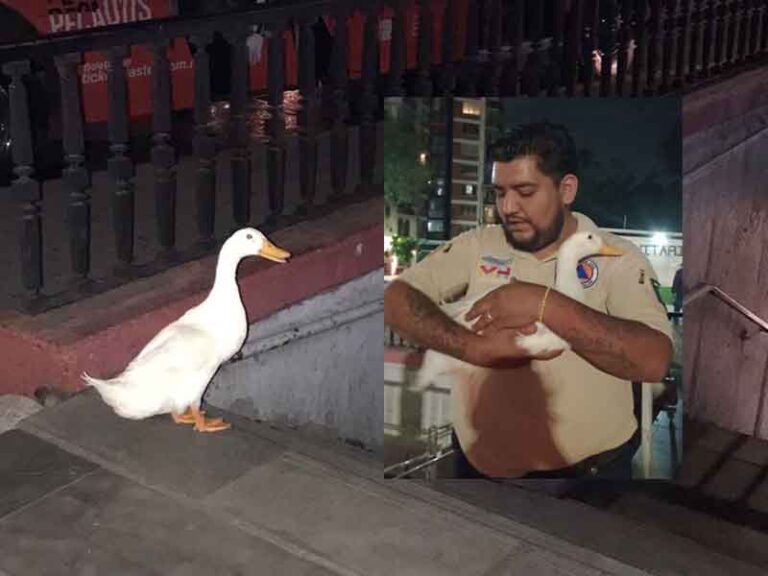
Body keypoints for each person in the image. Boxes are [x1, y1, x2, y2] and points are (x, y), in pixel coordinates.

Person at [384, 122, 673, 480]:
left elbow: (654, 360)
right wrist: (472, 348)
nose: (508, 207)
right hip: (477, 467)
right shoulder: (479, 243)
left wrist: (544, 304)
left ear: (566, 189)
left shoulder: (616, 257)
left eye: (524, 191)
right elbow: (396, 298)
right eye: (499, 193)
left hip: (589, 475)